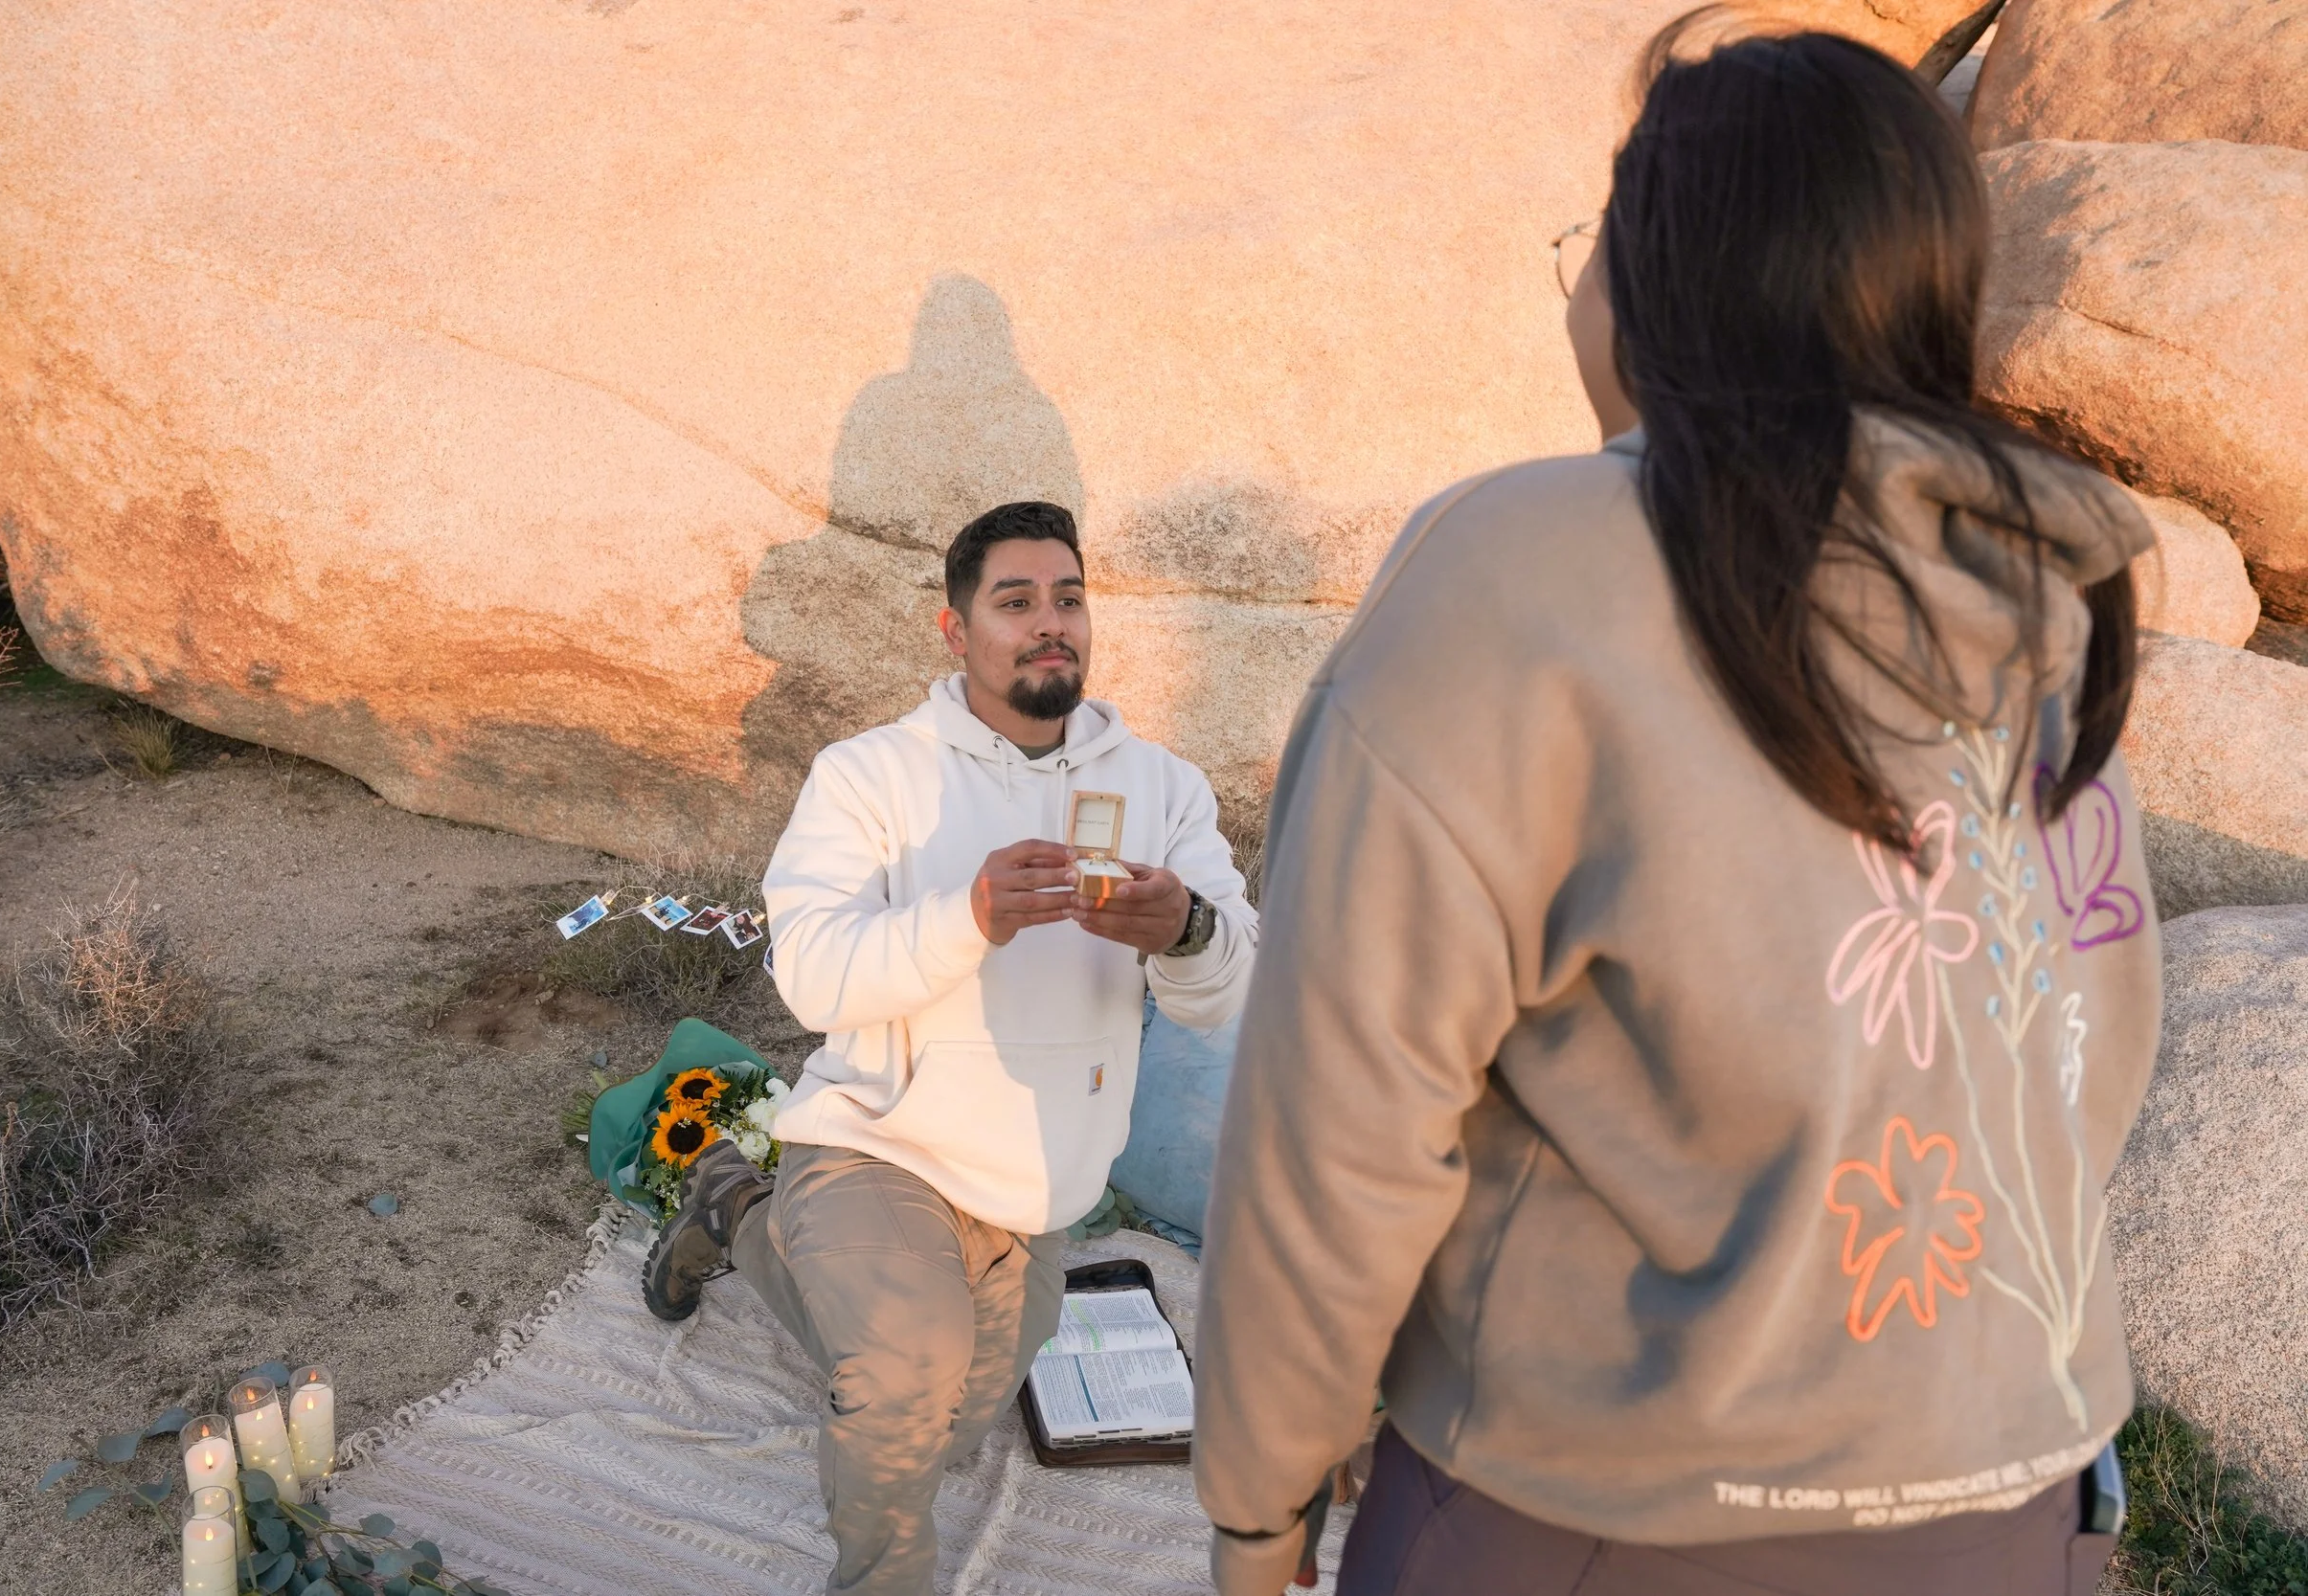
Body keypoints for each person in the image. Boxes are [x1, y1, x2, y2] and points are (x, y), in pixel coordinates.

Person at [1190, 17, 2160, 1596]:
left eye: (1595, 237)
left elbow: (1342, 1117)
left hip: (1601, 1512)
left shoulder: (1518, 570)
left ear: (1658, 280)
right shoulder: (2045, 584)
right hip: (2017, 1499)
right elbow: (2083, 1053)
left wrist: (1260, 1493)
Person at [645, 499, 1256, 1594]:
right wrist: (964, 917)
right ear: (954, 628)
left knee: (954, 1425)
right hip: (880, 1143)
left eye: (1068, 597)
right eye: (1015, 600)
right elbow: (811, 971)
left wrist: (1187, 929)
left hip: (1035, 1187)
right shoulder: (871, 773)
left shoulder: (1162, 788)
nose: (1049, 621)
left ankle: (734, 1207)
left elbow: (1231, 990)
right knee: (901, 1382)